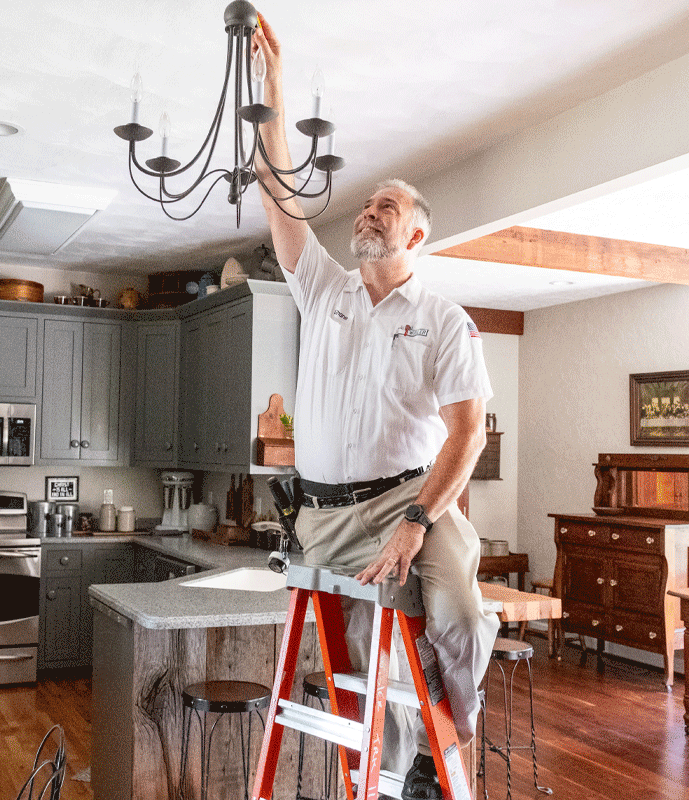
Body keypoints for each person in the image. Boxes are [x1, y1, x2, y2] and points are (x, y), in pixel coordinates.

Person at [251, 14, 500, 800]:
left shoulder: (444, 320)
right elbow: (278, 195)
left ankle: (451, 739)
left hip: (407, 501)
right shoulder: (322, 288)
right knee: (365, 669)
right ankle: (397, 776)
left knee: (460, 612)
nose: (367, 211)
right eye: (365, 205)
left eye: (385, 207)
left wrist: (419, 520)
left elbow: (468, 434)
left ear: (415, 235)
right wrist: (271, 87)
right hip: (323, 517)